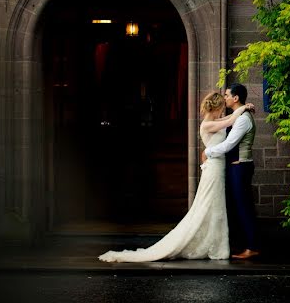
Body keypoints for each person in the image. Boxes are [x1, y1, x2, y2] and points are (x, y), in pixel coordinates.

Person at [98, 92, 253, 262]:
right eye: (222, 107)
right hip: (214, 168)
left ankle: (217, 242)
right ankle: (213, 244)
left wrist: (242, 109)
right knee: (210, 204)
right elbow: (230, 121)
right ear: (216, 108)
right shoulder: (207, 125)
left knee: (215, 205)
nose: (224, 110)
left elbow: (229, 119)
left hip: (217, 167)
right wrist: (244, 107)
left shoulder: (215, 122)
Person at [204, 83, 259, 260]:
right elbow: (224, 122)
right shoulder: (238, 115)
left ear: (235, 98)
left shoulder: (243, 119)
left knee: (243, 207)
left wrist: (207, 152)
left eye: (227, 95)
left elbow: (229, 144)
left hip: (240, 167)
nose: (225, 97)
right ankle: (243, 244)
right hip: (235, 167)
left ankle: (252, 247)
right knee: (237, 207)